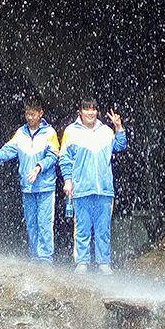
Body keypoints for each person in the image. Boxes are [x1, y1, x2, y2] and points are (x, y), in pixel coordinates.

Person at [0, 95, 60, 263]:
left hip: (45, 186)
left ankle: (45, 258)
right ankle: (34, 256)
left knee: (44, 222)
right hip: (27, 186)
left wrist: (39, 167)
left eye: (33, 114)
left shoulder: (49, 133)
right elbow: (9, 149)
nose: (30, 118)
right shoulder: (21, 133)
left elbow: (54, 155)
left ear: (40, 114)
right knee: (31, 222)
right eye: (27, 114)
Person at [59, 97, 127, 272]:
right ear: (79, 112)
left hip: (104, 189)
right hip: (81, 188)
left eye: (93, 109)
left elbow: (120, 146)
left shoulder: (105, 131)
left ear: (97, 112)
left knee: (103, 229)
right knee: (82, 228)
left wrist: (118, 126)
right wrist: (68, 180)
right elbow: (65, 158)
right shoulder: (71, 131)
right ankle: (82, 262)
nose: (90, 112)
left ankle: (104, 263)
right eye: (86, 109)